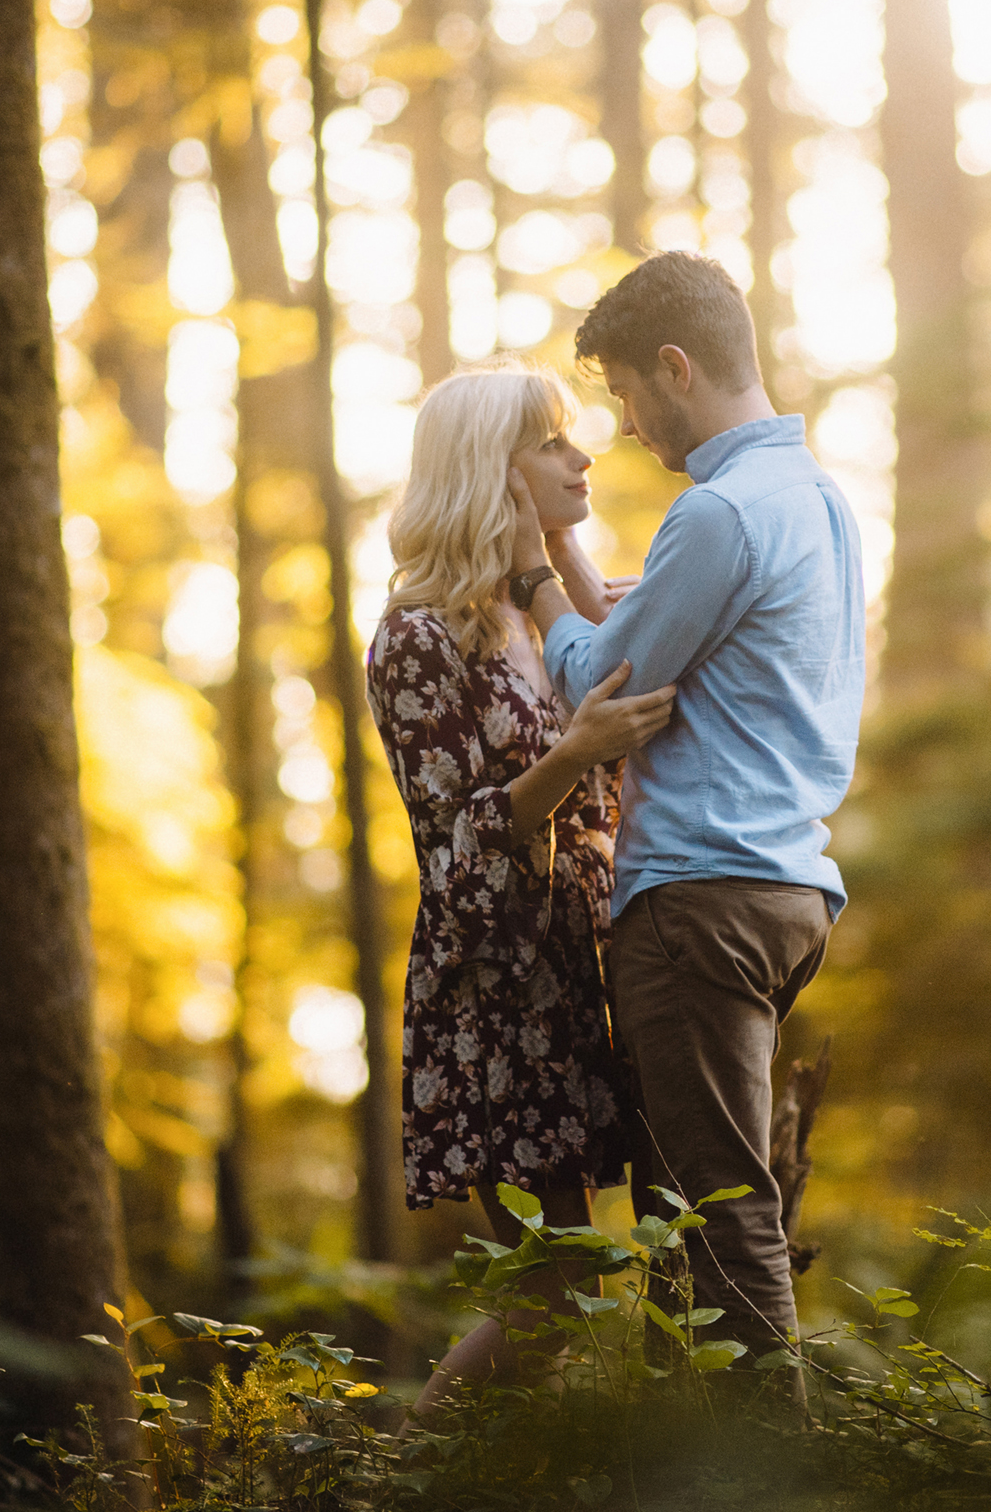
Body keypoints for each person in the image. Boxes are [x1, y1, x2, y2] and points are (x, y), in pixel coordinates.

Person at [508, 252, 865, 1383]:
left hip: (697, 900)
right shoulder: (815, 498)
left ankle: (774, 1474)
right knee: (676, 1219)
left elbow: (598, 686)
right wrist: (575, 566)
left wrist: (532, 585)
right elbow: (655, 635)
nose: (620, 421)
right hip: (785, 887)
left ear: (676, 367)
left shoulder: (717, 514)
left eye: (621, 391)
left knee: (715, 1218)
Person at [364, 363, 676, 1421]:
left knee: (579, 1283)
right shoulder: (417, 637)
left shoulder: (549, 616)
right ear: (489, 471)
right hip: (492, 998)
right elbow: (453, 858)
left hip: (578, 973)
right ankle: (390, 1480)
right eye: (551, 443)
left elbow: (626, 641)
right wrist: (573, 753)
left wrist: (555, 551)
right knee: (554, 1287)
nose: (583, 455)